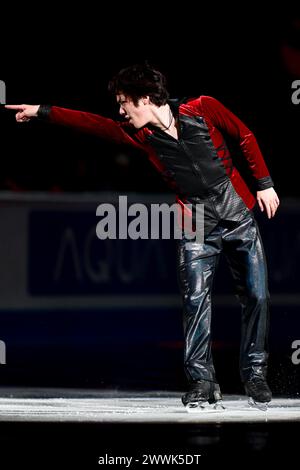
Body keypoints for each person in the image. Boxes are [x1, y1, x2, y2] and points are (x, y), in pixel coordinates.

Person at [5, 63, 279, 409]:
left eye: (123, 102)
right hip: (194, 222)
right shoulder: (137, 134)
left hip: (238, 214)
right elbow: (91, 123)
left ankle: (254, 373)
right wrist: (42, 111)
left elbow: (245, 135)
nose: (120, 110)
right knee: (195, 300)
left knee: (257, 294)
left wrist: (265, 184)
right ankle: (202, 382)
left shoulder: (202, 107)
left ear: (145, 98)